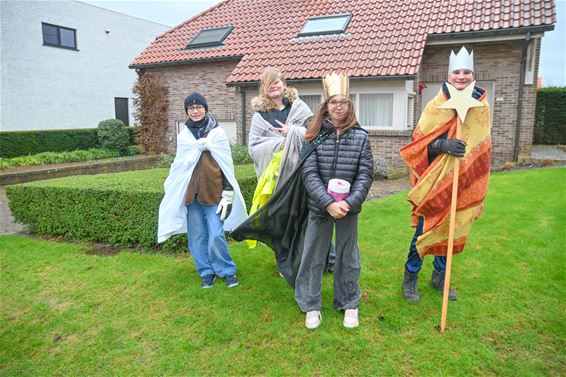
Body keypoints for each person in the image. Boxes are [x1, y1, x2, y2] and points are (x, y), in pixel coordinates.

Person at [399, 46, 491, 303]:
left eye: (466, 72)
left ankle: (440, 277)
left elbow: (483, 144)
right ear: (449, 75)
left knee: (453, 228)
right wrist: (441, 145)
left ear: (472, 75)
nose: (461, 77)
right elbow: (418, 143)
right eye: (457, 72)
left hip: (463, 179)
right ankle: (410, 278)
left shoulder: (480, 106)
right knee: (424, 228)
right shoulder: (435, 105)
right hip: (435, 181)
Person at [296, 72, 373, 329]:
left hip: (348, 209)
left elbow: (365, 173)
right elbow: (309, 173)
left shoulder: (361, 137)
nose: (338, 106)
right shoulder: (314, 135)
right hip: (320, 207)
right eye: (333, 102)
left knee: (347, 256)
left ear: (350, 105)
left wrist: (348, 203)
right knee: (313, 255)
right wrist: (328, 202)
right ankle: (311, 305)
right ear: (326, 105)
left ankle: (349, 302)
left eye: (343, 102)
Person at [247, 67, 335, 271]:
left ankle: (327, 261)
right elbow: (253, 148)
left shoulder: (299, 107)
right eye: (269, 84)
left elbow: (317, 132)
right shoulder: (260, 116)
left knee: (310, 216)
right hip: (278, 180)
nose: (274, 86)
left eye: (277, 81)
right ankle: (286, 263)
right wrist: (278, 144)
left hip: (303, 173)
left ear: (284, 84)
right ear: (264, 89)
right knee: (283, 220)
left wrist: (293, 132)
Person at [157, 92, 247, 289]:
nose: (195, 111)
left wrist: (228, 191)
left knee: (216, 234)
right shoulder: (184, 136)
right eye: (191, 108)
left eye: (198, 107)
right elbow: (180, 165)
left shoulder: (218, 133)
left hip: (213, 193)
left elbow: (226, 166)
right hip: (191, 196)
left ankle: (226, 270)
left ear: (205, 108)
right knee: (196, 236)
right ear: (187, 112)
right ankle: (206, 271)